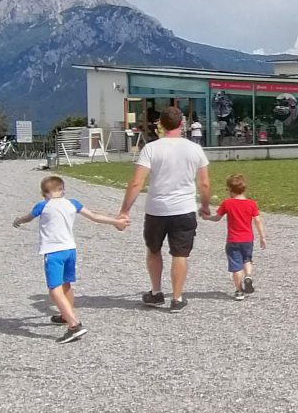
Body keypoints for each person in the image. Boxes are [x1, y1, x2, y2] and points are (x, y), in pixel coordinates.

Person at [13, 175, 128, 343]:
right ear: (63, 190)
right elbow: (94, 216)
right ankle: (66, 315)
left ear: (43, 193)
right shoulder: (72, 203)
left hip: (53, 252)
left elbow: (28, 217)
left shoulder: (43, 205)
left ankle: (74, 325)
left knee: (54, 288)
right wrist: (116, 222)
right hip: (70, 250)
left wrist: (18, 220)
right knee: (66, 284)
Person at [117, 106, 210, 311]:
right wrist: (204, 206)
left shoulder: (151, 148)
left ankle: (156, 291)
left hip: (157, 209)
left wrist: (125, 210)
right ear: (182, 124)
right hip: (184, 209)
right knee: (180, 254)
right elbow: (204, 183)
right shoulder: (195, 149)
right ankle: (176, 298)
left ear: (161, 124)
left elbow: (136, 183)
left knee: (153, 250)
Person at [202, 173, 266, 300]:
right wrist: (262, 237)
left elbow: (217, 218)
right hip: (248, 239)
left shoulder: (227, 203)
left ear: (231, 190)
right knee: (247, 259)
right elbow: (258, 221)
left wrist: (207, 217)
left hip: (233, 240)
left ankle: (238, 291)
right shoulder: (251, 204)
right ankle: (248, 275)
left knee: (236, 266)